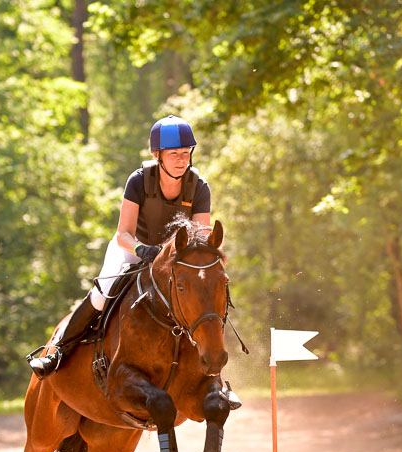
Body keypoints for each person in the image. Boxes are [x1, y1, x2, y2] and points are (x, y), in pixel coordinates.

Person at [27, 115, 241, 408]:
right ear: (158, 155)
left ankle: (215, 380)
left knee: (203, 297)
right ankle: (58, 352)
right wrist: (143, 251)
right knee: (103, 295)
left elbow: (200, 238)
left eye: (186, 153)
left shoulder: (199, 186)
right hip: (133, 248)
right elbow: (122, 233)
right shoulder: (139, 180)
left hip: (176, 258)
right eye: (174, 154)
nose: (182, 160)